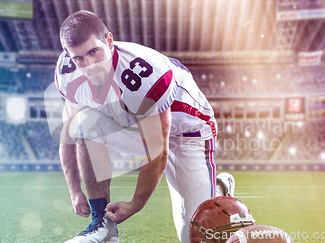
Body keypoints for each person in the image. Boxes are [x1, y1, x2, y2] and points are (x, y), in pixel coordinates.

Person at [54, 10, 227, 243]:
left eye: (94, 52)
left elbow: (157, 152)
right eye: (79, 58)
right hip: (138, 127)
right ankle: (102, 226)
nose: (89, 65)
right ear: (68, 56)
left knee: (194, 236)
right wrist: (75, 191)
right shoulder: (66, 73)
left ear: (109, 40)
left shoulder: (146, 73)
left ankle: (218, 189)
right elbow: (68, 133)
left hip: (189, 134)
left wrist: (134, 205)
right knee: (83, 123)